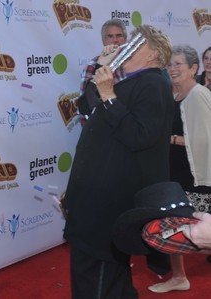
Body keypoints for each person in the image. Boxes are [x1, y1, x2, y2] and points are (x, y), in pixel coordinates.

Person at [63, 24, 174, 299]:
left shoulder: (155, 83)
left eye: (137, 43)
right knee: (105, 273)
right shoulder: (125, 79)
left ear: (153, 55)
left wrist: (109, 96)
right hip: (97, 198)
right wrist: (103, 68)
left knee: (96, 274)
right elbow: (86, 106)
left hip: (108, 201)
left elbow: (140, 136)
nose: (126, 46)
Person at [146, 44, 211, 293]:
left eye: (178, 64)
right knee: (174, 225)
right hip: (176, 171)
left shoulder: (198, 95)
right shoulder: (176, 95)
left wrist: (170, 139)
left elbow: (205, 139)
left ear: (194, 68)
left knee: (198, 233)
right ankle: (179, 277)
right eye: (169, 64)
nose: (172, 68)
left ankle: (180, 277)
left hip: (195, 176)